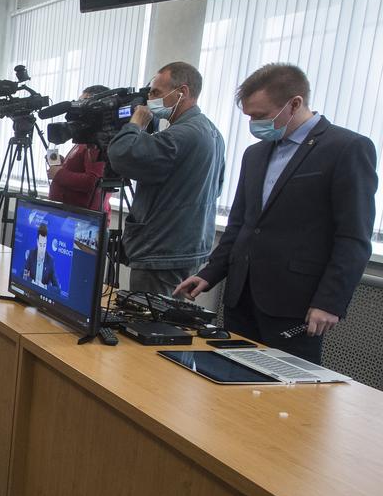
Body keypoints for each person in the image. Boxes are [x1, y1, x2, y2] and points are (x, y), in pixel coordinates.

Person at [175, 63, 379, 363]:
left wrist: (330, 302)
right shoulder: (255, 153)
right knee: (231, 379)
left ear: (294, 103)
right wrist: (210, 273)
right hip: (241, 297)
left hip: (295, 303)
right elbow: (241, 225)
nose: (253, 125)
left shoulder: (346, 148)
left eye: (260, 116)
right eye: (248, 117)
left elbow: (354, 235)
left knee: (286, 398)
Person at [106, 62, 226, 295]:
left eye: (156, 93)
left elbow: (120, 155)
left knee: (149, 322)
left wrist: (136, 124)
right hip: (187, 246)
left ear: (183, 92)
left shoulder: (180, 135)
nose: (149, 99)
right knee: (169, 321)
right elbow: (218, 185)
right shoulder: (212, 132)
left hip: (162, 251)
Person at [46, 84, 112, 214]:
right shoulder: (85, 137)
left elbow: (92, 182)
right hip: (68, 213)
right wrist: (63, 163)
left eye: (82, 103)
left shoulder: (98, 143)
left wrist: (58, 173)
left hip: (81, 218)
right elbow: (81, 167)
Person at [22, 222, 59, 290]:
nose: (42, 249)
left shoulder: (50, 260)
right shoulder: (31, 255)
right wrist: (32, 282)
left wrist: (44, 287)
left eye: (44, 245)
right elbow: (23, 275)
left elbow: (57, 289)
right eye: (40, 245)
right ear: (37, 242)